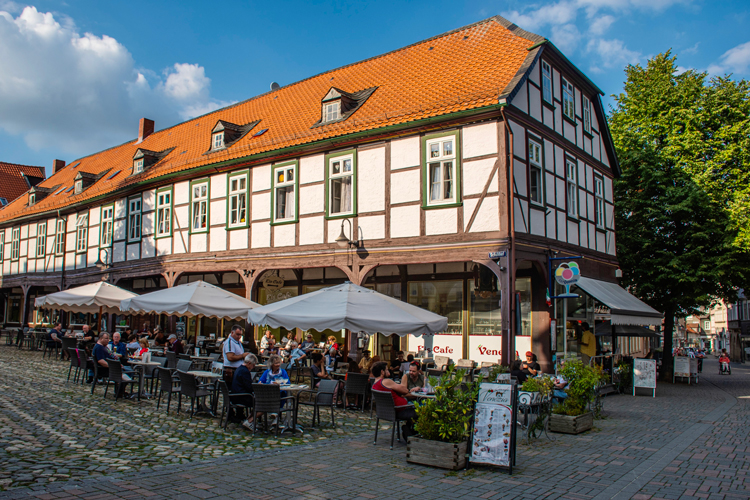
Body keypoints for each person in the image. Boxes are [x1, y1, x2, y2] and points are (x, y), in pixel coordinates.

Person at [372, 362, 416, 438]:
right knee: (420, 410)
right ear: (382, 372)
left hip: (385, 412)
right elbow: (405, 391)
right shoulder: (386, 381)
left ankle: (408, 430)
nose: (388, 371)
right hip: (399, 411)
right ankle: (411, 432)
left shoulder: (375, 384)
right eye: (386, 369)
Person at [231, 353, 259, 430]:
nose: (253, 367)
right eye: (253, 365)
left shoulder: (239, 368)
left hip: (235, 395)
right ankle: (250, 421)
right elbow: (249, 387)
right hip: (241, 397)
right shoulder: (245, 371)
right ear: (249, 363)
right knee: (260, 402)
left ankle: (249, 419)